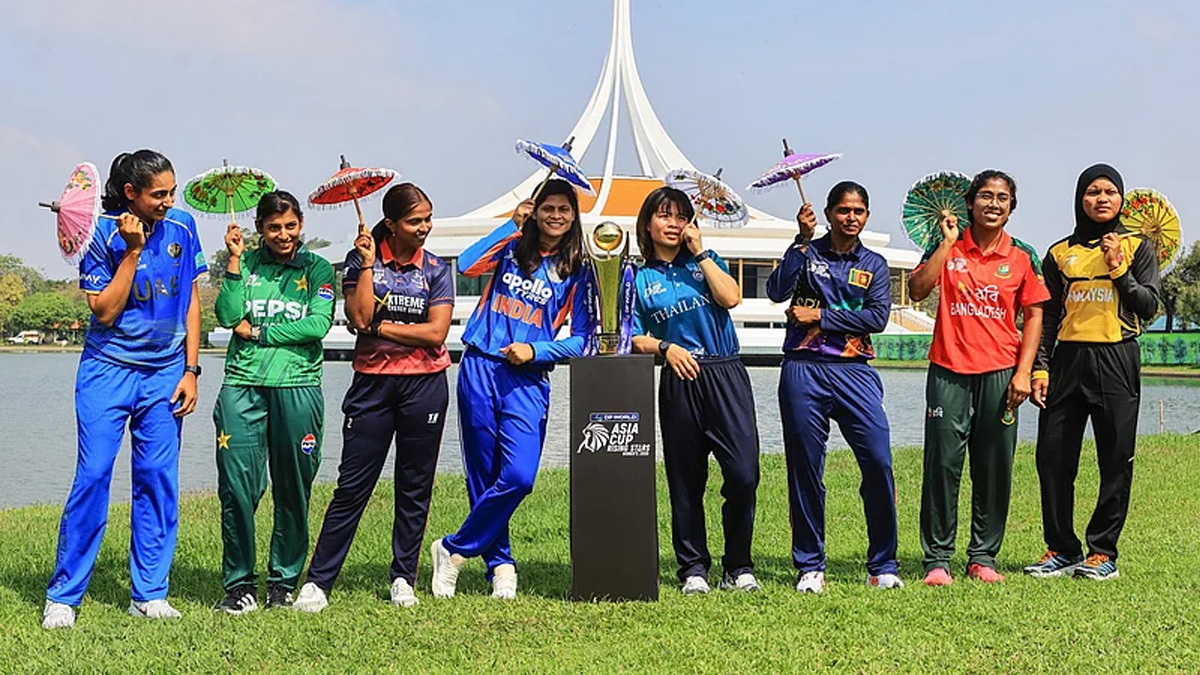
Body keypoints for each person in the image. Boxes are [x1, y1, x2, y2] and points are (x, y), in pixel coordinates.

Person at [43, 150, 205, 629]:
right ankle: (63, 597)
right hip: (107, 370)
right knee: (93, 475)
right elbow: (105, 311)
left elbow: (191, 300)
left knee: (157, 478)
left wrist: (191, 370)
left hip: (166, 373)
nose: (169, 201)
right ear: (131, 193)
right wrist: (132, 252)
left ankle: (149, 594)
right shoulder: (99, 232)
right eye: (159, 194)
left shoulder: (183, 226)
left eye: (172, 191)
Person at [429, 179, 593, 600]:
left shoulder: (577, 268)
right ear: (535, 211)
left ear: (574, 216)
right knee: (484, 474)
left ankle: (453, 549)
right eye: (548, 207)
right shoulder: (512, 248)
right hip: (481, 364)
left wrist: (536, 350)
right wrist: (510, 224)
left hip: (527, 377)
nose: (555, 216)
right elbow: (466, 265)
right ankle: (500, 565)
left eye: (564, 209)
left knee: (519, 476)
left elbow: (583, 339)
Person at [294, 184, 453, 612]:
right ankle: (318, 582)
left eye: (427, 219)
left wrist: (382, 329)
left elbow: (435, 333)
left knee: (414, 486)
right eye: (415, 221)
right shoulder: (360, 259)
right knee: (352, 486)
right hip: (372, 385)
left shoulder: (436, 269)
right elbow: (358, 315)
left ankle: (403, 578)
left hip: (425, 385)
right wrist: (366, 265)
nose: (424, 227)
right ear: (391, 224)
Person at [908, 170, 1049, 586]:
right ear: (969, 203)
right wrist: (947, 244)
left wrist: (1024, 372)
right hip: (948, 371)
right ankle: (938, 558)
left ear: (1011, 207)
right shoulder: (946, 243)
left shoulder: (1022, 255)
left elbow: (1035, 315)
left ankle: (983, 556)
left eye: (1002, 198)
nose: (993, 204)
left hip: (1002, 374)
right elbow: (917, 290)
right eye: (985, 196)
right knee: (942, 463)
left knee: (993, 466)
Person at [1024, 163, 1160, 581]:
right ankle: (1061, 548)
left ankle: (1102, 552)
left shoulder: (1137, 247)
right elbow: (1048, 316)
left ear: (1121, 199)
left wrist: (1118, 269)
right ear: (1079, 198)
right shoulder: (1059, 253)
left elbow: (1148, 306)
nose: (1101, 199)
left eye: (1109, 192)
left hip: (1117, 358)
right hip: (1067, 361)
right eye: (1092, 192)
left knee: (1115, 458)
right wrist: (1040, 368)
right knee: (1052, 457)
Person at [766, 181, 900, 594]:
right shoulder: (807, 253)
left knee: (878, 461)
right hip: (803, 369)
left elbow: (876, 318)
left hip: (854, 371)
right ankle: (810, 565)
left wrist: (821, 317)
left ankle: (883, 564)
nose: (851, 217)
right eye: (843, 210)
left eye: (858, 211)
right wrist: (800, 241)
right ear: (828, 214)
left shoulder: (874, 264)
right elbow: (775, 291)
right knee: (806, 467)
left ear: (867, 216)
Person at [629, 187, 760, 594]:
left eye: (681, 216)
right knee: (686, 479)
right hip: (679, 378)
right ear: (647, 224)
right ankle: (693, 568)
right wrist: (665, 347)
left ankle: (738, 566)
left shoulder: (706, 261)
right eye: (664, 215)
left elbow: (731, 297)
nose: (673, 224)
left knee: (744, 474)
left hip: (725, 372)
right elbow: (633, 336)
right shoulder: (640, 278)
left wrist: (700, 253)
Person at [211, 191, 335, 613]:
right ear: (259, 228)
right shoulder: (245, 264)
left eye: (290, 226)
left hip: (297, 384)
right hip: (242, 384)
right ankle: (239, 585)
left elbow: (316, 325)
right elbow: (228, 316)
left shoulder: (317, 268)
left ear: (301, 223)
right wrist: (233, 261)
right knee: (237, 487)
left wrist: (261, 332)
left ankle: (282, 583)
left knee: (293, 487)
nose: (283, 235)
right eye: (273, 227)